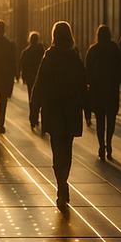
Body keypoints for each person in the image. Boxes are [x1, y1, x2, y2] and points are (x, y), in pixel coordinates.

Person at [30, 21, 88, 214]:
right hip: (71, 110)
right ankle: (64, 184)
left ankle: (61, 186)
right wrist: (87, 108)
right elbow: (82, 84)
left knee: (57, 151)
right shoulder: (75, 58)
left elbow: (40, 83)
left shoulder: (49, 56)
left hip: (53, 110)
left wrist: (34, 107)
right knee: (68, 150)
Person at [85, 24, 121, 161]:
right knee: (111, 118)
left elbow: (87, 70)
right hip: (112, 89)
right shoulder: (115, 48)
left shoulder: (93, 50)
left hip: (97, 89)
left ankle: (101, 145)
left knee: (100, 119)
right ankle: (109, 144)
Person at [20, 32, 44, 117]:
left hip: (30, 77)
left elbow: (23, 65)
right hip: (40, 77)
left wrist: (23, 76)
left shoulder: (25, 52)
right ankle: (36, 113)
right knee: (40, 95)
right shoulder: (42, 51)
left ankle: (33, 115)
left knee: (31, 95)